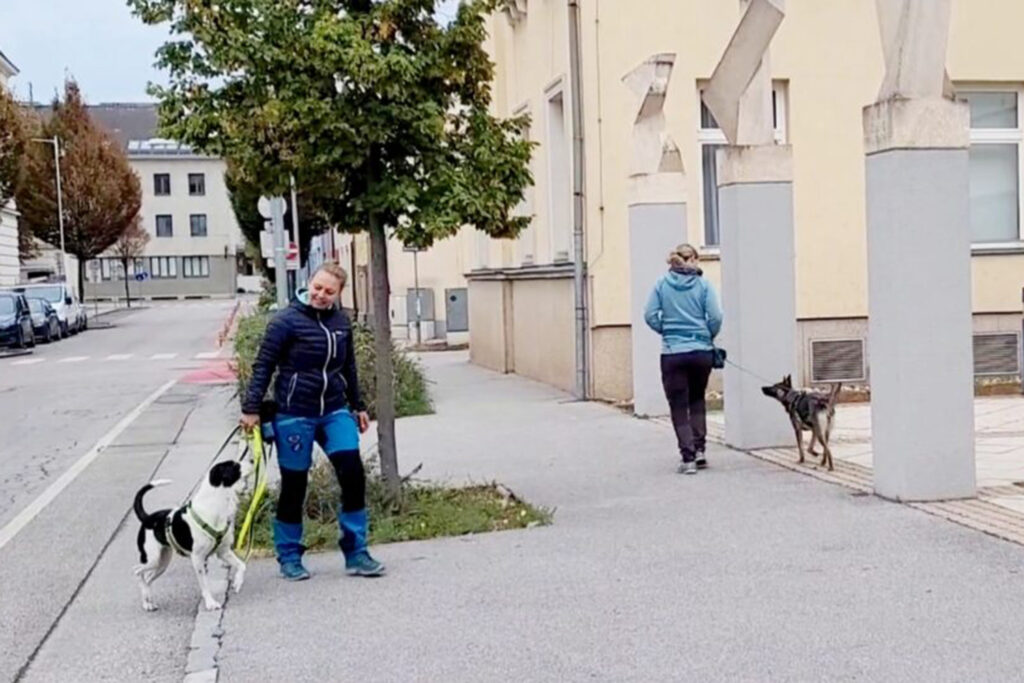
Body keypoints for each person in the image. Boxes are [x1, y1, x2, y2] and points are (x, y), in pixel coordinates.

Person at [241, 262, 384, 580]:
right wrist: (251, 408)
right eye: (317, 287)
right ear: (309, 284)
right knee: (295, 484)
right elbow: (264, 365)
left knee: (353, 474)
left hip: (333, 410)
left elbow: (348, 368)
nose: (320, 295)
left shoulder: (341, 322)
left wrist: (358, 405)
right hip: (294, 414)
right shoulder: (285, 322)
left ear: (338, 294)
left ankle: (356, 551)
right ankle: (289, 556)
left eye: (328, 291)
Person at [644, 243, 723, 475]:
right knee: (697, 399)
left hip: (672, 353)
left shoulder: (661, 284)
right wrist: (707, 334)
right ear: (694, 259)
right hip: (701, 352)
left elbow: (649, 315)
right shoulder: (704, 285)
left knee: (678, 404)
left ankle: (687, 458)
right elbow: (716, 316)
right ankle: (700, 451)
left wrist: (666, 330)